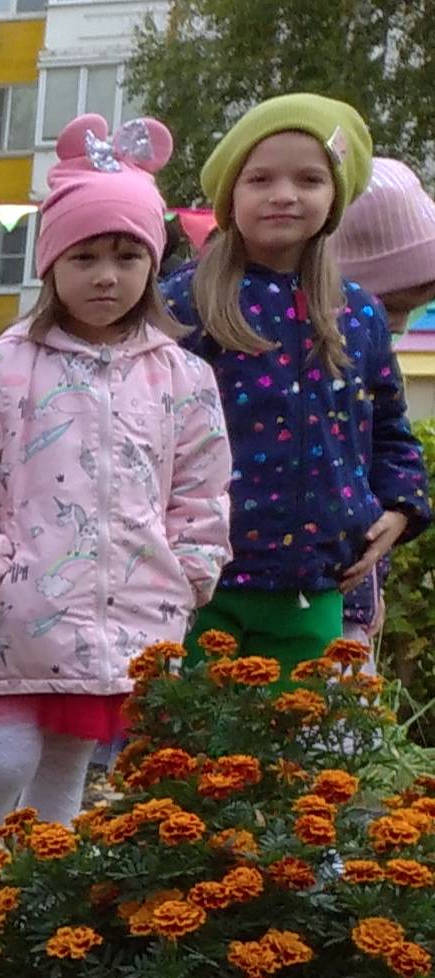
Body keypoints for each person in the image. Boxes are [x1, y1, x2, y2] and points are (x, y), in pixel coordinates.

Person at [0, 117, 232, 888]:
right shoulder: (0, 367)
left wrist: (188, 572)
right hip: (14, 614)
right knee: (6, 756)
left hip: (126, 612)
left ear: (152, 267)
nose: (104, 276)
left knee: (67, 762)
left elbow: (201, 485)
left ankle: (35, 898)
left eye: (126, 256)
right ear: (50, 263)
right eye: (82, 256)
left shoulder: (181, 378)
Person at [157, 93, 428, 666]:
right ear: (230, 195)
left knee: (301, 744)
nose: (284, 195)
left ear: (335, 197)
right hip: (202, 577)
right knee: (192, 743)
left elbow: (390, 428)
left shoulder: (358, 313)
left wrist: (400, 508)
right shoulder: (187, 299)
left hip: (320, 582)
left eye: (308, 178)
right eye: (260, 179)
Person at [328, 157, 435, 645]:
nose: (400, 326)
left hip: (357, 593)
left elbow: (393, 438)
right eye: (390, 307)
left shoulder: (369, 352)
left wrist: (399, 510)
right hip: (300, 594)